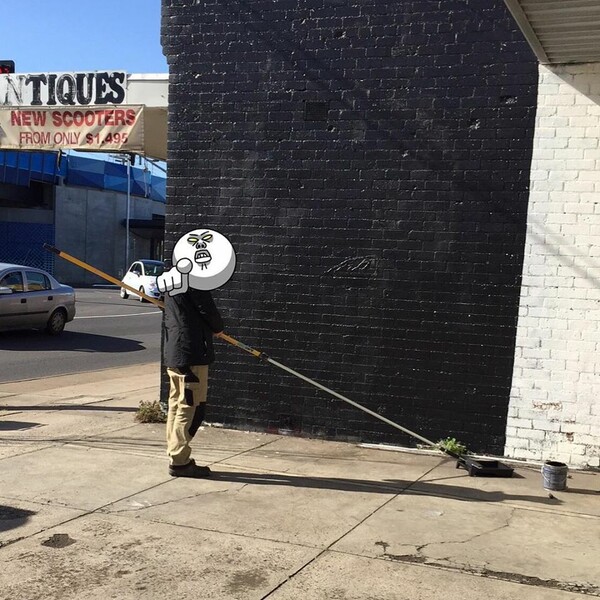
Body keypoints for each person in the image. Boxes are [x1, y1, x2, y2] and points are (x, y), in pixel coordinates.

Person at [163, 287, 224, 478]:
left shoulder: (169, 280)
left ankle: (175, 453)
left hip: (174, 353)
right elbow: (206, 309)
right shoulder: (193, 279)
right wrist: (218, 328)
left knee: (176, 404)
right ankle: (180, 460)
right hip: (192, 353)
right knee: (191, 407)